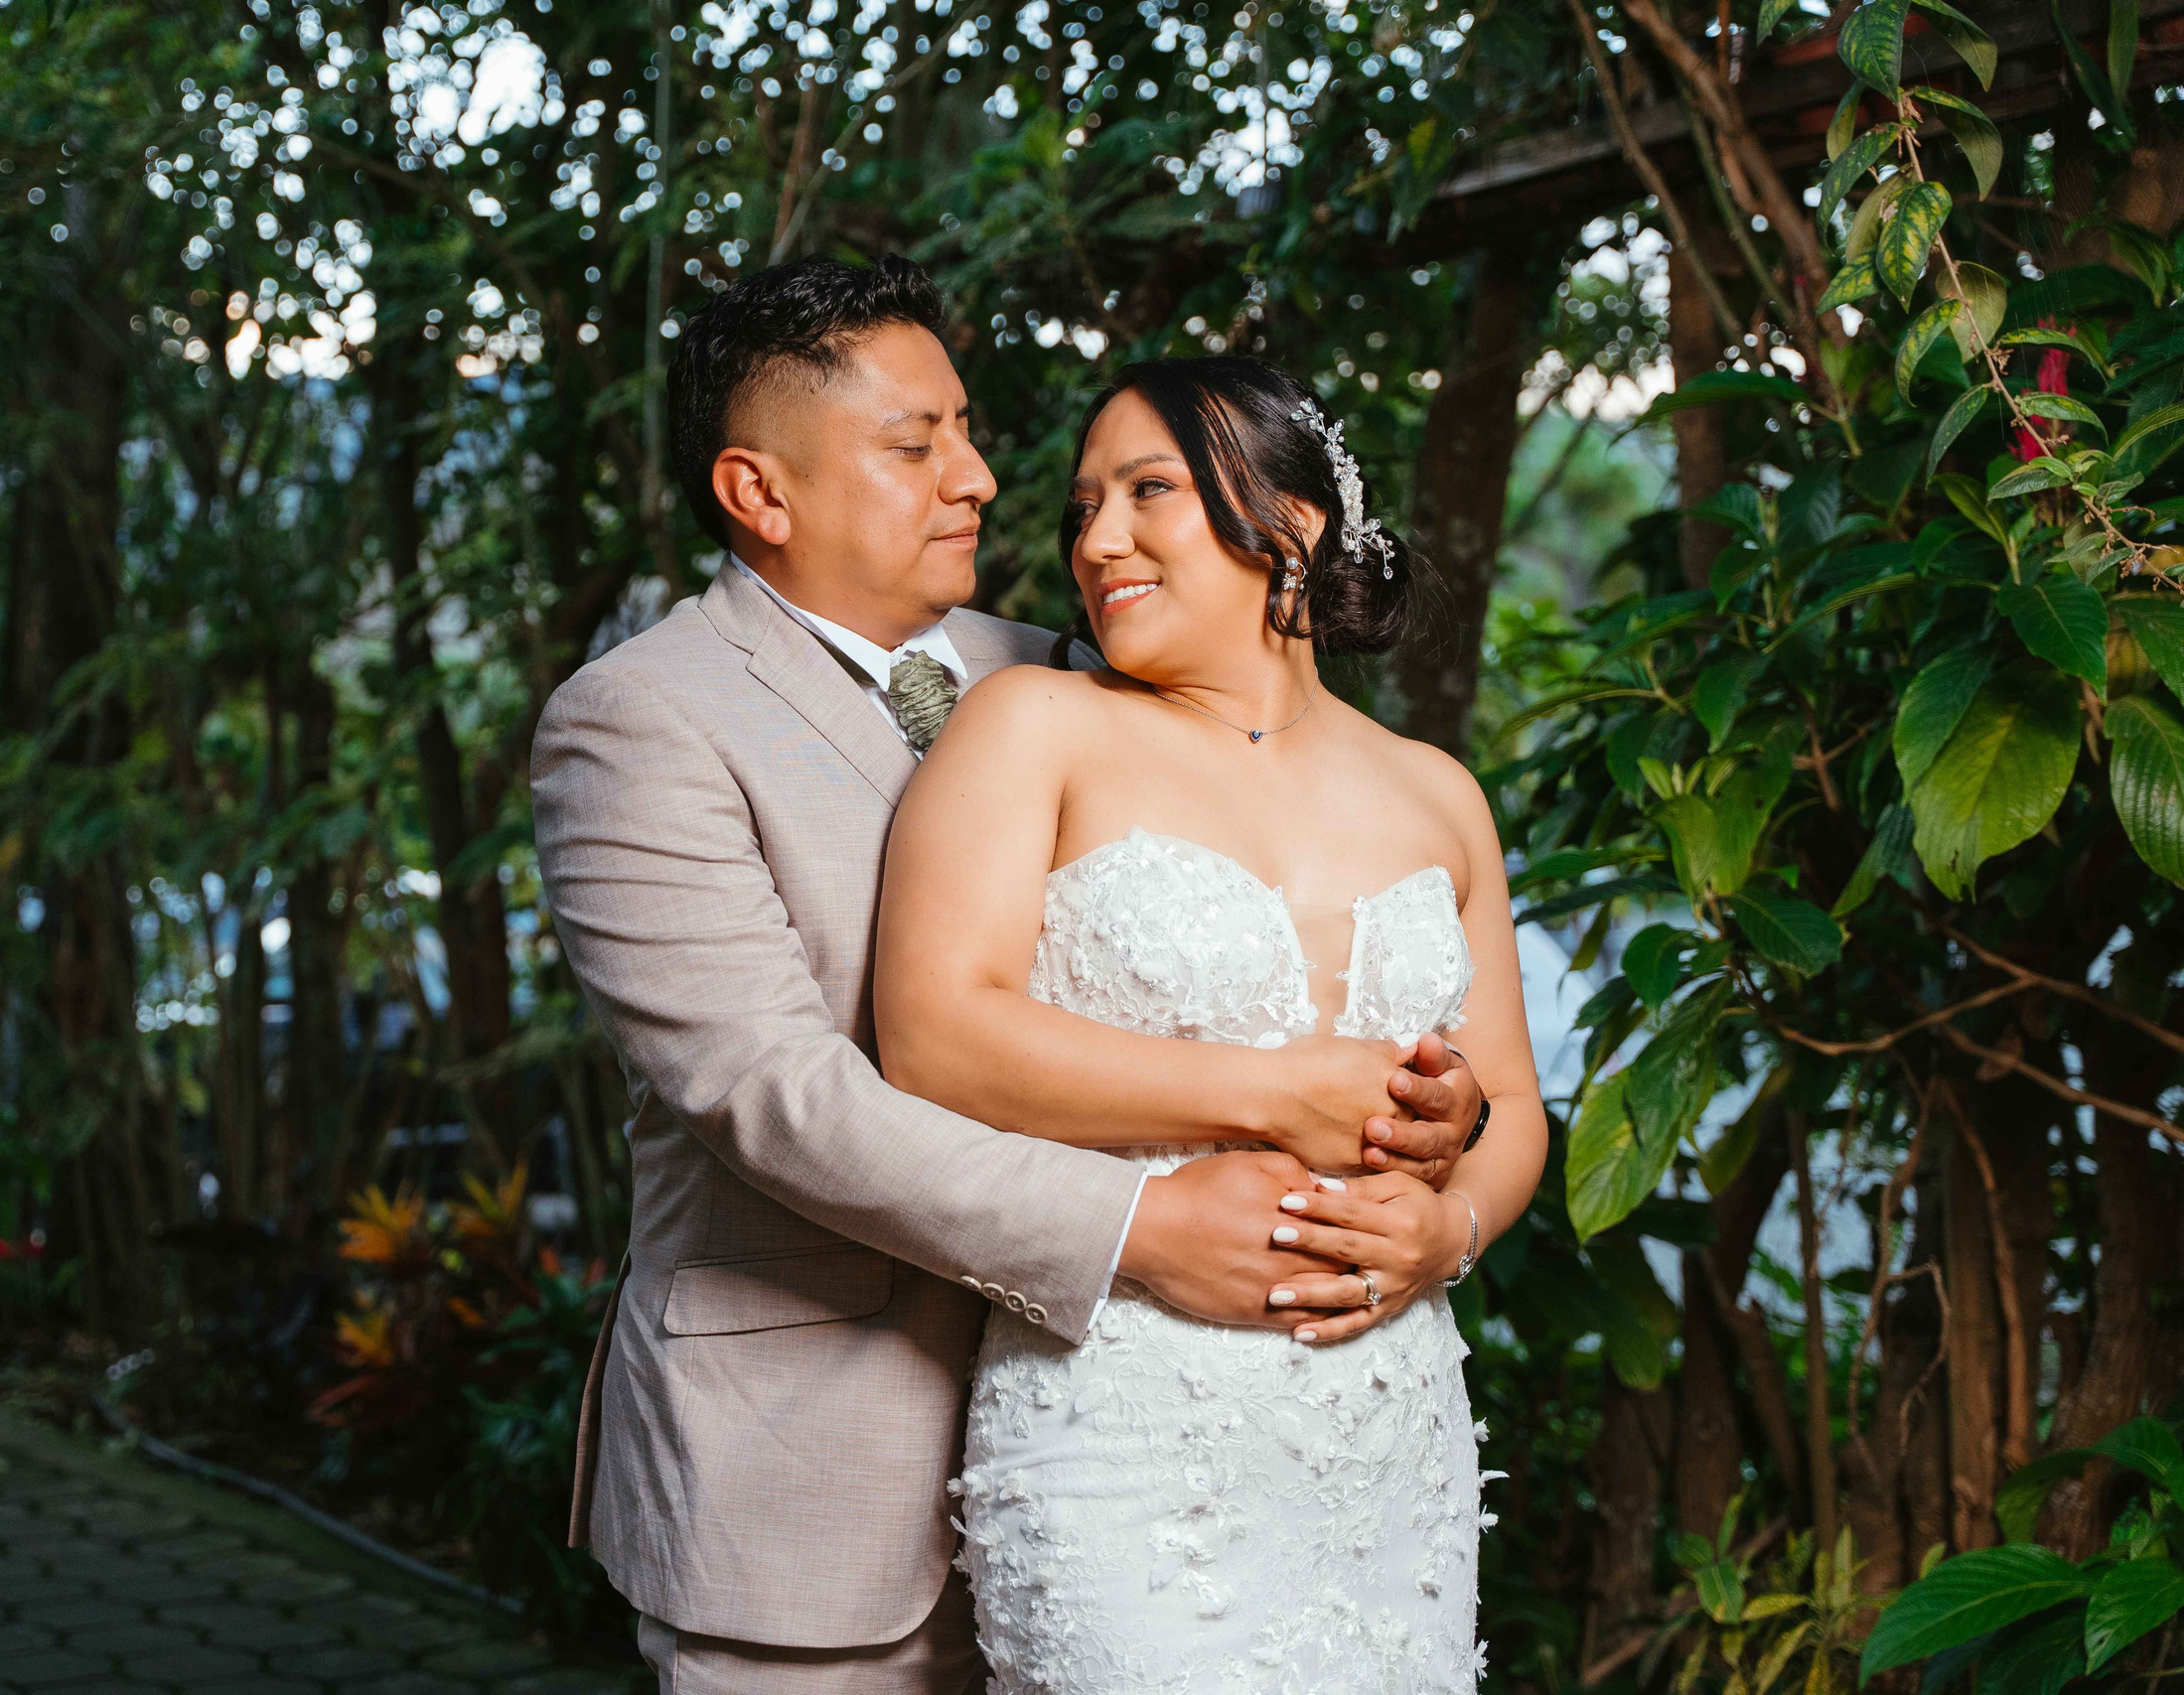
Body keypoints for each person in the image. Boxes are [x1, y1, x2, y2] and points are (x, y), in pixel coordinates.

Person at [527, 256, 1485, 1693]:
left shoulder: (1080, 668)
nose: (977, 478)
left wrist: (1435, 1103)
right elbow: (774, 1096)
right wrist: (1140, 1227)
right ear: (759, 492)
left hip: (1158, 1453)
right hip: (822, 1459)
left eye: (966, 433)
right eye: (916, 445)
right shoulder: (641, 722)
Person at [873, 353, 1546, 1691]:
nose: (1096, 541)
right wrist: (1272, 1092)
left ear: (1291, 522)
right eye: (1083, 508)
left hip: (1388, 1436)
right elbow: (935, 1038)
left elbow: (1514, 1106)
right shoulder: (1032, 726)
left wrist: (1450, 1229)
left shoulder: (1438, 793)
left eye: (1147, 492)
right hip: (1128, 1429)